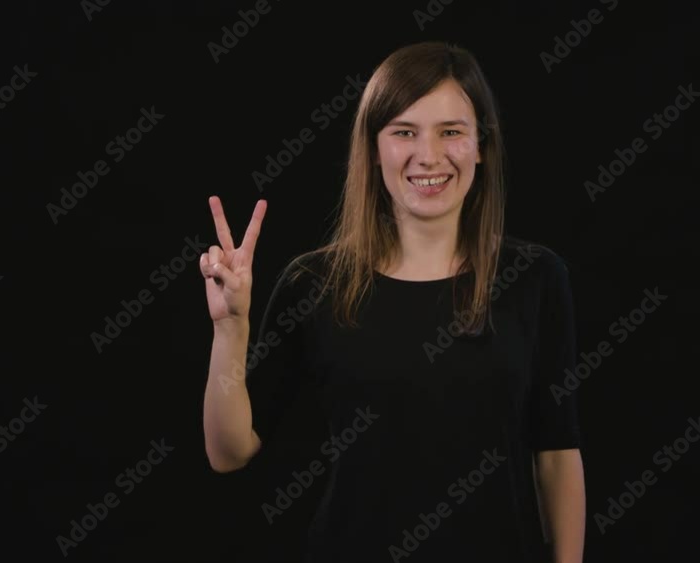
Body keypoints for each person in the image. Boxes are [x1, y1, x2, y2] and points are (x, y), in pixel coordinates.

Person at [201, 41, 585, 563]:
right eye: (404, 132)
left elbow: (557, 456)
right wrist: (230, 328)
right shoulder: (313, 283)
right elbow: (229, 453)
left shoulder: (535, 279)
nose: (428, 155)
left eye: (451, 131)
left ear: (481, 146)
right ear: (374, 147)